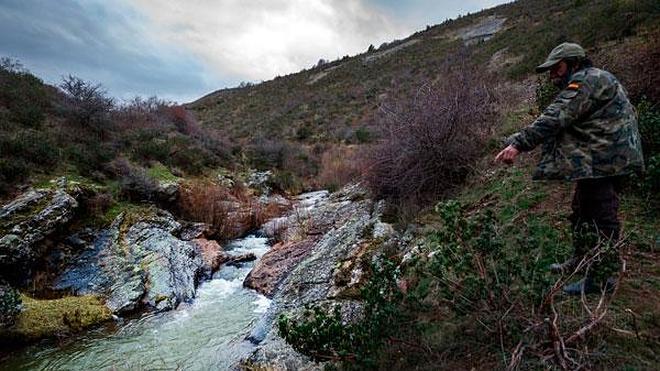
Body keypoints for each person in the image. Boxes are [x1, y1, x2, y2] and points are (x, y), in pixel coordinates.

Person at [495, 42, 644, 295]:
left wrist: (518, 144)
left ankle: (602, 278)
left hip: (605, 159)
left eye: (557, 67)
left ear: (574, 63)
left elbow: (556, 116)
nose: (553, 74)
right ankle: (582, 259)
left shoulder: (585, 81)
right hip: (603, 156)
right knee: (581, 209)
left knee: (601, 215)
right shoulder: (595, 78)